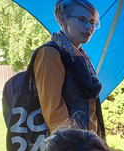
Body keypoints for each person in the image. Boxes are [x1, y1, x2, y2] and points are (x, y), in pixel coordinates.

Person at [35, 0, 105, 136]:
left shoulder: (81, 57)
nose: (88, 27)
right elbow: (53, 112)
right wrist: (72, 147)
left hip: (89, 141)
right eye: (82, 19)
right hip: (71, 144)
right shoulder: (50, 54)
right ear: (62, 19)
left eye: (92, 22)